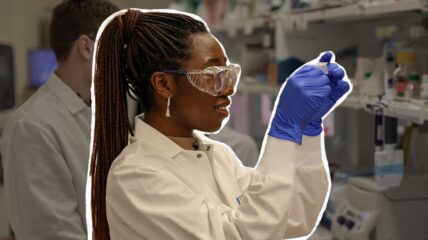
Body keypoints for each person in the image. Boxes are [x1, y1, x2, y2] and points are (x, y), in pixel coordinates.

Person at [90, 9, 351, 240]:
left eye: (229, 74)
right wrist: (282, 129)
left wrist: (307, 129)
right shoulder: (136, 175)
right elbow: (241, 235)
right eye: (214, 75)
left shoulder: (218, 156)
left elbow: (294, 217)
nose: (227, 89)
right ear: (165, 84)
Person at [0, 0, 118, 239]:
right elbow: (51, 232)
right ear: (86, 47)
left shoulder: (99, 111)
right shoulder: (32, 127)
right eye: (120, 47)